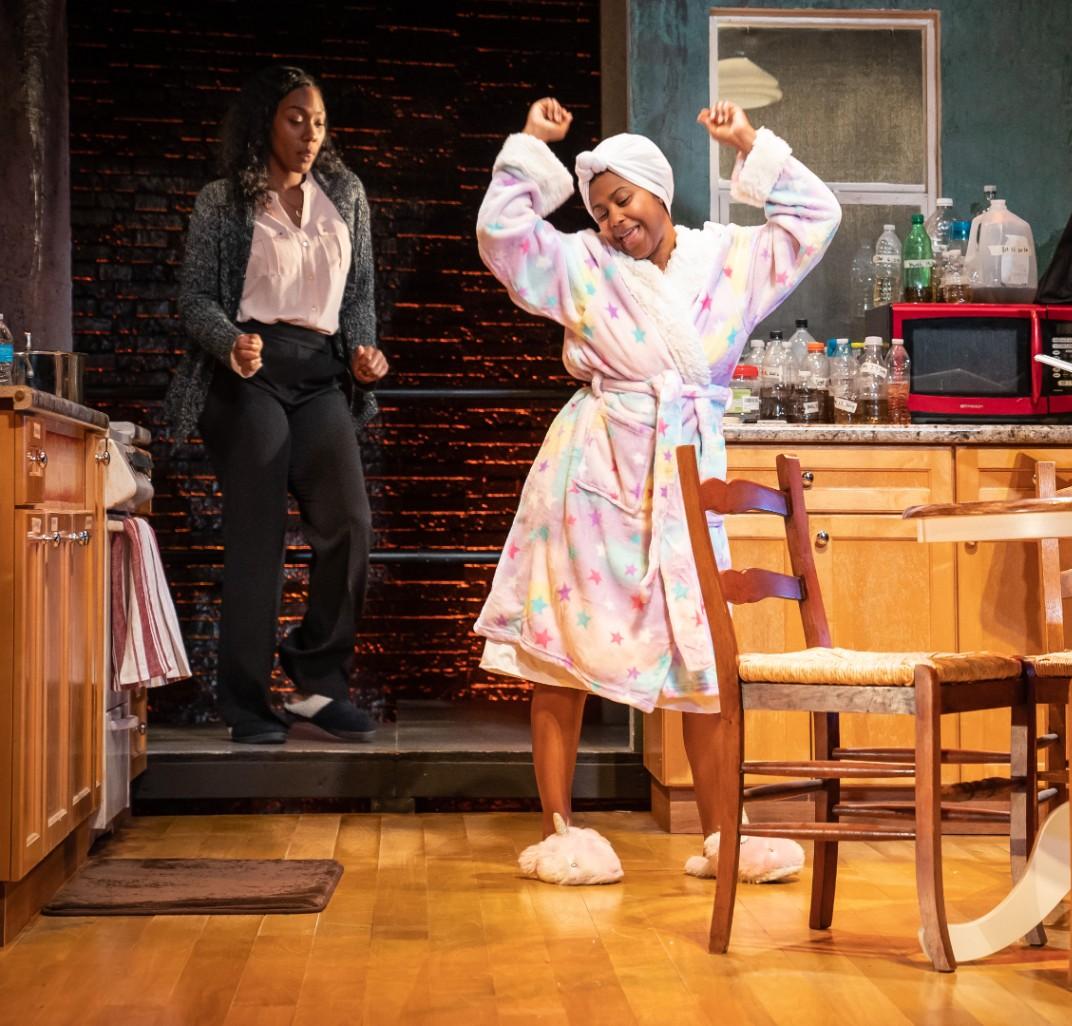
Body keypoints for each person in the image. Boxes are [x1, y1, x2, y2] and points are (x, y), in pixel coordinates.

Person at [474, 97, 840, 882]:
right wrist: (534, 149)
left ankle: (723, 837)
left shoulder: (729, 260)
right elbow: (502, 239)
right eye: (600, 210)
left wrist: (750, 147)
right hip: (594, 470)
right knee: (564, 653)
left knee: (703, 652)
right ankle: (561, 829)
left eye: (623, 201)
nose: (612, 220)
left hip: (684, 477)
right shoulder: (585, 266)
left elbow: (816, 217)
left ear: (658, 192)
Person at [171, 65, 389, 745]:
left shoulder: (346, 194)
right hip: (248, 374)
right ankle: (247, 704)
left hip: (320, 376)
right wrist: (230, 341)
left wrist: (364, 352)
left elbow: (357, 298)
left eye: (319, 121)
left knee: (350, 525)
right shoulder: (223, 201)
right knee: (259, 534)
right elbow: (193, 300)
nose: (309, 133)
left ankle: (319, 684)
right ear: (267, 120)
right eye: (297, 118)